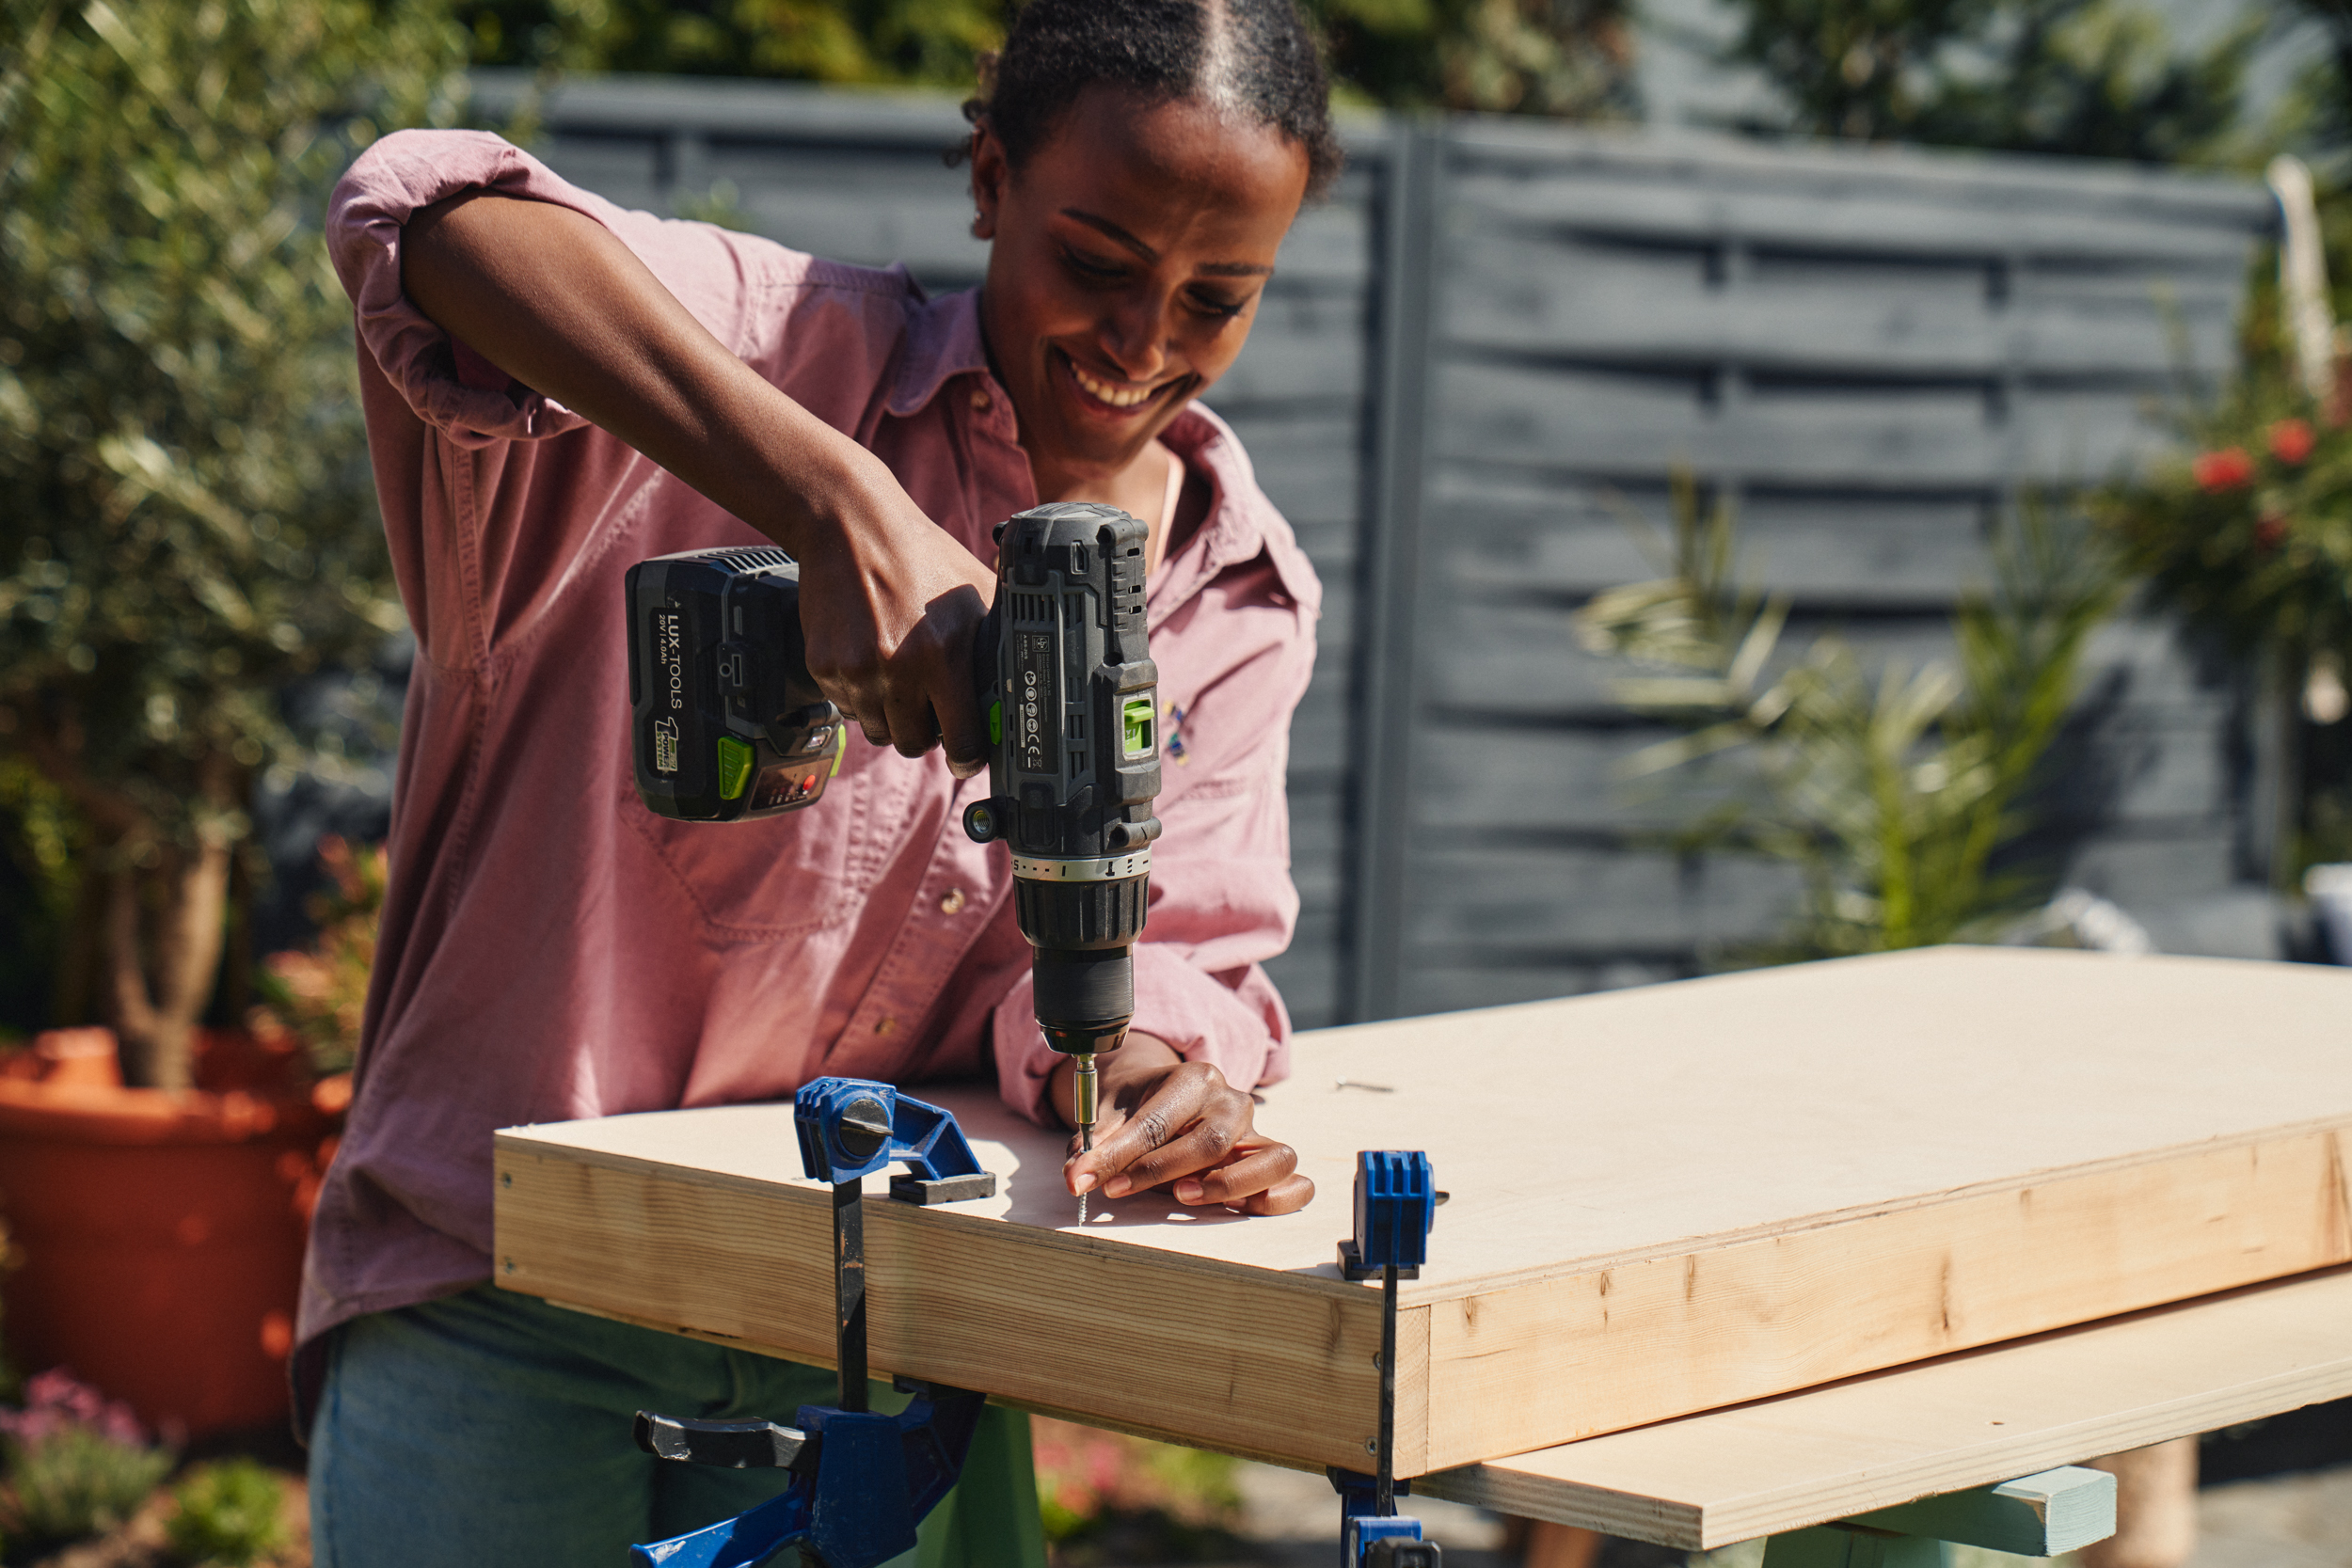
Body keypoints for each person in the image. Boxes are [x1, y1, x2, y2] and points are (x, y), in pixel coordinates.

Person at [298, 0, 1344, 1562]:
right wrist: (825, 494)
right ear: (989, 179)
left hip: (852, 1339)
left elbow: (1174, 944)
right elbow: (423, 213)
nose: (1144, 343)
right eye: (1098, 263)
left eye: (1218, 298)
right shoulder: (782, 349)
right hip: (504, 1304)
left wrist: (1142, 1069)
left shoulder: (1234, 591)